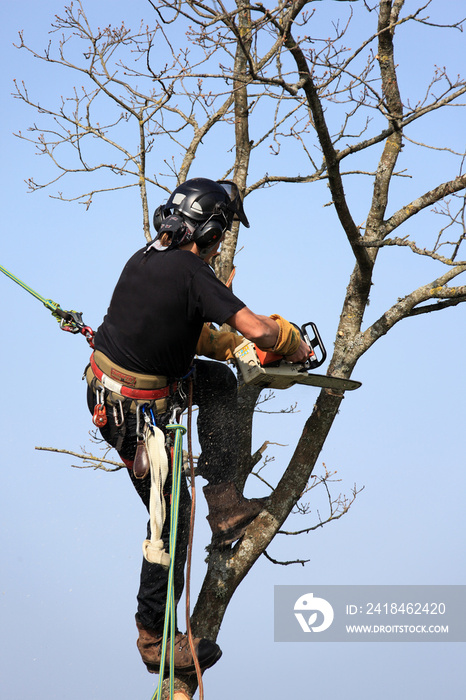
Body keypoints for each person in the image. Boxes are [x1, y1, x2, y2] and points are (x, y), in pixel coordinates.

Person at [85, 177, 310, 676]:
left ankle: (226, 503)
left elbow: (171, 325)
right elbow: (259, 329)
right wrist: (288, 340)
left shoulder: (143, 259)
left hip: (121, 388)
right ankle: (153, 638)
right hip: (131, 408)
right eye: (220, 236)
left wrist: (224, 346)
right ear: (209, 233)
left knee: (215, 383)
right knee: (173, 516)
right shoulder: (192, 271)